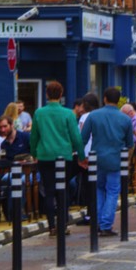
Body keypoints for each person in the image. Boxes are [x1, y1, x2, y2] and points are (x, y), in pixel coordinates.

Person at [30, 81, 84, 235]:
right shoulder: (68, 113)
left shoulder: (39, 113)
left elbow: (34, 136)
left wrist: (34, 153)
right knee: (63, 188)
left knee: (49, 191)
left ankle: (51, 226)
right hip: (64, 156)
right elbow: (76, 137)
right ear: (61, 95)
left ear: (47, 94)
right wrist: (81, 156)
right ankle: (63, 224)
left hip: (45, 155)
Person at [81, 87, 135, 237]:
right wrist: (128, 163)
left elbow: (83, 139)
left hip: (97, 160)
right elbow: (130, 144)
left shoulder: (93, 115)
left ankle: (97, 221)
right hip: (115, 161)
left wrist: (81, 157)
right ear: (118, 101)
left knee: (98, 190)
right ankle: (106, 224)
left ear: (104, 98)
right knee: (112, 192)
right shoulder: (125, 119)